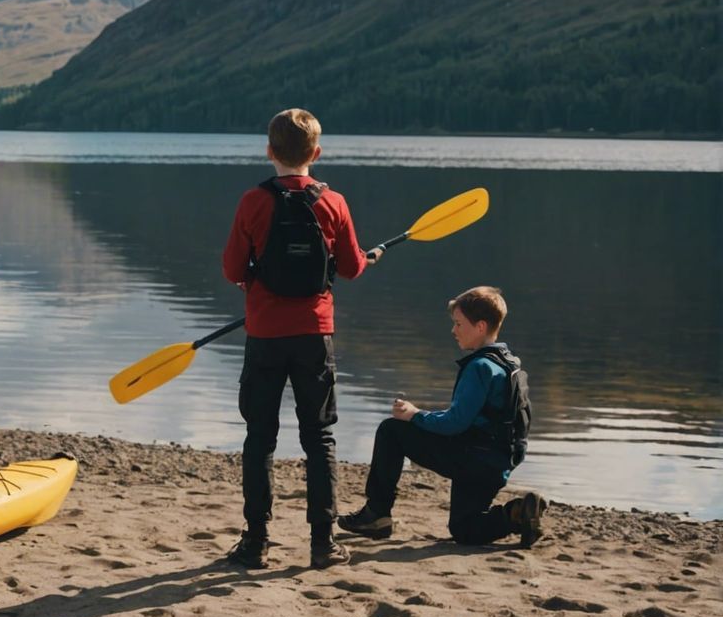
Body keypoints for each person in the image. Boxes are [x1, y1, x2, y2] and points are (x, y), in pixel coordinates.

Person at [222, 108, 377, 569]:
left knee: (259, 438)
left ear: (269, 152)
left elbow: (232, 270)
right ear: (317, 153)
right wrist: (366, 259)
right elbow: (350, 269)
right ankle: (323, 545)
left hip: (265, 336)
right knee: (319, 438)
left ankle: (255, 543)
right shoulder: (335, 203)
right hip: (314, 336)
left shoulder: (252, 201)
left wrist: (253, 279)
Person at [338, 286, 545, 547]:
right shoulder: (509, 362)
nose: (453, 330)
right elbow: (469, 418)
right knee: (464, 529)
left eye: (459, 324)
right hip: (497, 462)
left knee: (392, 430)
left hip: (474, 460)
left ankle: (376, 515)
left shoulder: (480, 367)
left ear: (480, 327)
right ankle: (517, 514)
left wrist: (415, 415)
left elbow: (454, 423)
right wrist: (422, 415)